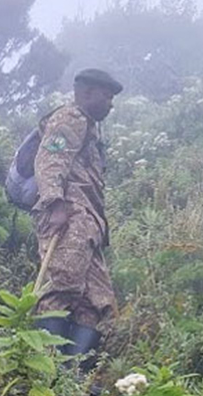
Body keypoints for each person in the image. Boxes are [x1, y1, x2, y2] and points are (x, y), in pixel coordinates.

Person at [33, 68, 123, 359]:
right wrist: (55, 204)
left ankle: (74, 378)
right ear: (86, 92)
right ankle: (48, 371)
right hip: (70, 214)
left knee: (97, 300)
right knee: (60, 288)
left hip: (90, 224)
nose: (111, 104)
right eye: (107, 96)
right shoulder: (69, 118)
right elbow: (50, 158)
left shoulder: (91, 128)